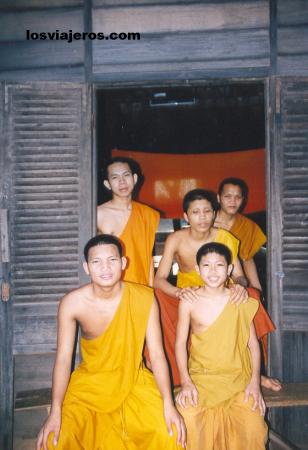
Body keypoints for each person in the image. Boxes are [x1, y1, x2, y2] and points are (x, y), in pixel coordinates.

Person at [36, 234, 186, 450]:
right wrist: (56, 411)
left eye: (112, 260)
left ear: (123, 263)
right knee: (55, 441)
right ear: (86, 267)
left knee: (169, 434)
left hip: (135, 380)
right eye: (97, 262)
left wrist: (168, 404)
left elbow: (158, 355)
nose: (105, 268)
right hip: (90, 383)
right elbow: (62, 360)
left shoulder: (144, 297)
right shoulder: (72, 303)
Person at [154, 189, 278, 390]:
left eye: (207, 211)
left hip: (222, 293)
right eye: (196, 212)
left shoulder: (224, 237)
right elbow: (159, 279)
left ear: (214, 213)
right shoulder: (176, 239)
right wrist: (179, 293)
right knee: (157, 298)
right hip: (190, 295)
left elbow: (239, 274)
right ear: (186, 216)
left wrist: (239, 286)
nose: (202, 217)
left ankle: (255, 374)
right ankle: (176, 375)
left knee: (252, 296)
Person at [175, 242, 268, 450]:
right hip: (201, 378)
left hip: (237, 379)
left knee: (253, 426)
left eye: (219, 265)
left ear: (229, 270)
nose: (213, 271)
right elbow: (180, 344)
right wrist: (186, 382)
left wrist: (255, 383)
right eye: (206, 266)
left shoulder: (239, 299)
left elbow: (253, 345)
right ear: (197, 269)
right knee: (188, 418)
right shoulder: (189, 301)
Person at [97, 157, 160, 286]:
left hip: (141, 288)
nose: (122, 182)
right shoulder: (98, 214)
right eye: (115, 178)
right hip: (110, 289)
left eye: (126, 175)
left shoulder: (148, 214)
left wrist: (150, 291)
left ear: (135, 179)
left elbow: (148, 259)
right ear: (107, 184)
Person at [215, 177, 266, 292]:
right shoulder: (207, 222)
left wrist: (256, 287)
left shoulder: (247, 226)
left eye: (237, 197)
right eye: (227, 196)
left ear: (243, 200)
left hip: (237, 281)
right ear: (219, 198)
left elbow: (247, 258)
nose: (233, 201)